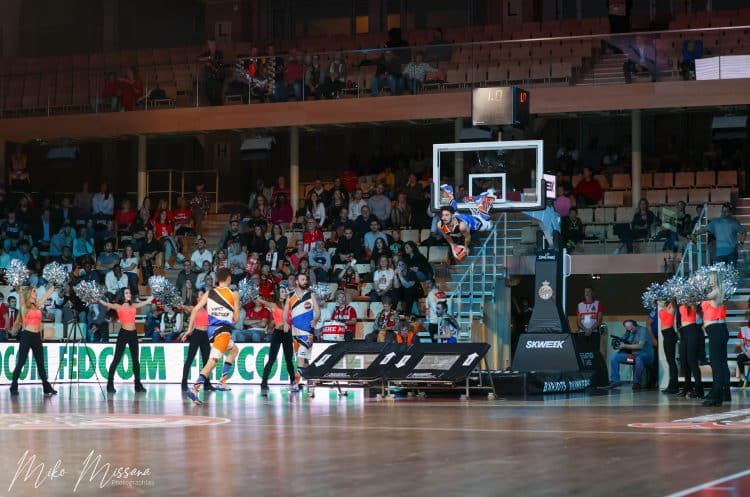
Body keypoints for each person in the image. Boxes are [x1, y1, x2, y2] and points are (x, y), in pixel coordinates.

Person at [185, 268, 241, 404]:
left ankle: (222, 380)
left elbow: (196, 309)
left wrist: (189, 329)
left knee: (234, 350)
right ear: (229, 278)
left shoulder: (209, 293)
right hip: (223, 331)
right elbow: (236, 319)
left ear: (217, 279)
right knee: (213, 360)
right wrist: (235, 307)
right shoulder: (234, 293)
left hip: (210, 331)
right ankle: (196, 387)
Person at [10, 283, 58, 396]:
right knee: (21, 362)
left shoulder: (37, 305)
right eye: (34, 292)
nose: (36, 294)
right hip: (26, 336)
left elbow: (46, 296)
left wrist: (53, 286)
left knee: (41, 364)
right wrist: (20, 289)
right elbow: (21, 293)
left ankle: (46, 388)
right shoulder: (24, 306)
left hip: (36, 337)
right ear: (29, 293)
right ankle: (13, 386)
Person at [98, 288, 149, 394]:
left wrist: (155, 295)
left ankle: (138, 385)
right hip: (123, 334)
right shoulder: (118, 306)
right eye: (126, 293)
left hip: (133, 334)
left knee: (136, 361)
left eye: (129, 292)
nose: (129, 294)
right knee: (116, 359)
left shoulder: (133, 305)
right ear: (122, 295)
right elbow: (105, 303)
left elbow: (145, 302)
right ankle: (109, 384)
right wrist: (96, 297)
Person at [283, 272, 320, 394]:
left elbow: (318, 311)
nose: (305, 281)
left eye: (306, 279)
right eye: (303, 279)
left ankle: (295, 383)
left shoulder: (311, 295)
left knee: (300, 358)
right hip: (295, 332)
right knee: (303, 361)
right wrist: (286, 323)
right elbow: (285, 312)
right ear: (297, 282)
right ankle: (311, 379)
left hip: (307, 332)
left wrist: (315, 319)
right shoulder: (290, 296)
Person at [258, 286, 296, 395]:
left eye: (285, 291)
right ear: (278, 294)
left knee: (289, 359)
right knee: (272, 359)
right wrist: (256, 296)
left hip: (287, 333)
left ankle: (293, 381)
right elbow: (261, 301)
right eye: (282, 292)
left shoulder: (289, 306)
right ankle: (264, 382)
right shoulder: (274, 305)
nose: (285, 293)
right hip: (277, 333)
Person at [701, 271, 730, 407]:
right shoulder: (719, 291)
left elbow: (700, 296)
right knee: (722, 363)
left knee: (716, 364)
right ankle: (725, 393)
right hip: (720, 330)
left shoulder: (715, 292)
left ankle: (716, 396)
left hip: (716, 331)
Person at [179, 292, 215, 392]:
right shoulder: (193, 308)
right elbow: (182, 307)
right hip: (196, 334)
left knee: (206, 361)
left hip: (205, 336)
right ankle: (184, 383)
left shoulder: (208, 309)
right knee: (190, 359)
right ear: (197, 298)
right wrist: (179, 304)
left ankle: (207, 384)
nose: (203, 296)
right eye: (201, 295)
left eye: (204, 294)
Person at [609, 319, 654, 390]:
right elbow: (623, 342)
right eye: (627, 328)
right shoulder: (628, 332)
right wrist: (618, 345)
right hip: (633, 358)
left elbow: (640, 346)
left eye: (631, 328)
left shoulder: (643, 330)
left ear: (635, 325)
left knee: (639, 359)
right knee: (615, 356)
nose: (630, 330)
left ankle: (636, 382)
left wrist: (624, 346)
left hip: (646, 357)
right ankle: (615, 381)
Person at [677, 303, 703, 399]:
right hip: (683, 331)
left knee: (692, 360)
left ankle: (699, 389)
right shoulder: (681, 302)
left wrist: (693, 304)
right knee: (684, 361)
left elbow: (699, 314)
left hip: (692, 330)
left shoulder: (693, 302)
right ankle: (687, 387)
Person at [658, 300, 679, 394]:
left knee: (671, 360)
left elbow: (672, 302)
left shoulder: (671, 306)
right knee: (669, 360)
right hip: (665, 335)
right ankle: (672, 384)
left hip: (669, 334)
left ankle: (674, 385)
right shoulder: (664, 307)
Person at [199, 39, 225, 106]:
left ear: (215, 45)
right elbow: (198, 59)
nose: (212, 46)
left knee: (217, 97)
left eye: (213, 45)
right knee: (208, 95)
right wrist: (208, 58)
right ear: (209, 46)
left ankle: (219, 111)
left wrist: (210, 66)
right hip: (209, 78)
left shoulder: (219, 54)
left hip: (218, 78)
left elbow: (219, 68)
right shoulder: (207, 53)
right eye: (210, 45)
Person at [737, 323, 750, 387]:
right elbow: (741, 345)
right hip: (746, 352)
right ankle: (742, 378)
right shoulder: (743, 329)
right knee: (739, 358)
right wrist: (747, 353)